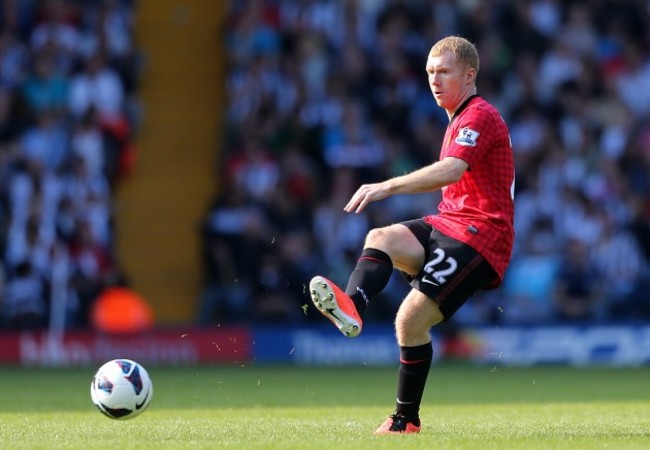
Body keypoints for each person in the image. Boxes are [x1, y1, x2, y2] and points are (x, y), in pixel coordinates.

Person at [309, 36, 515, 435]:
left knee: (410, 321)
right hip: (450, 222)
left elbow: (452, 169)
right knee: (381, 237)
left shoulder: (479, 115)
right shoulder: (459, 116)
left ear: (469, 75)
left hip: (481, 233)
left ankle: (405, 420)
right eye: (429, 73)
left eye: (443, 72)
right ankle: (352, 306)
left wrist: (386, 186)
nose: (434, 81)